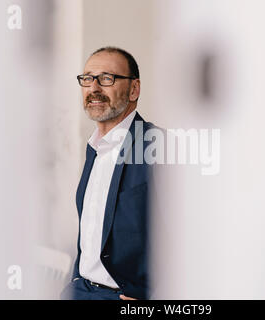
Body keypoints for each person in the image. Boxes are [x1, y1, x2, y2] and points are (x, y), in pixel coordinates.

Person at [60, 47, 155, 300]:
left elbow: (187, 233)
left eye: (107, 78)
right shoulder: (94, 149)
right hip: (81, 291)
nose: (94, 88)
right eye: (88, 79)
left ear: (134, 89)